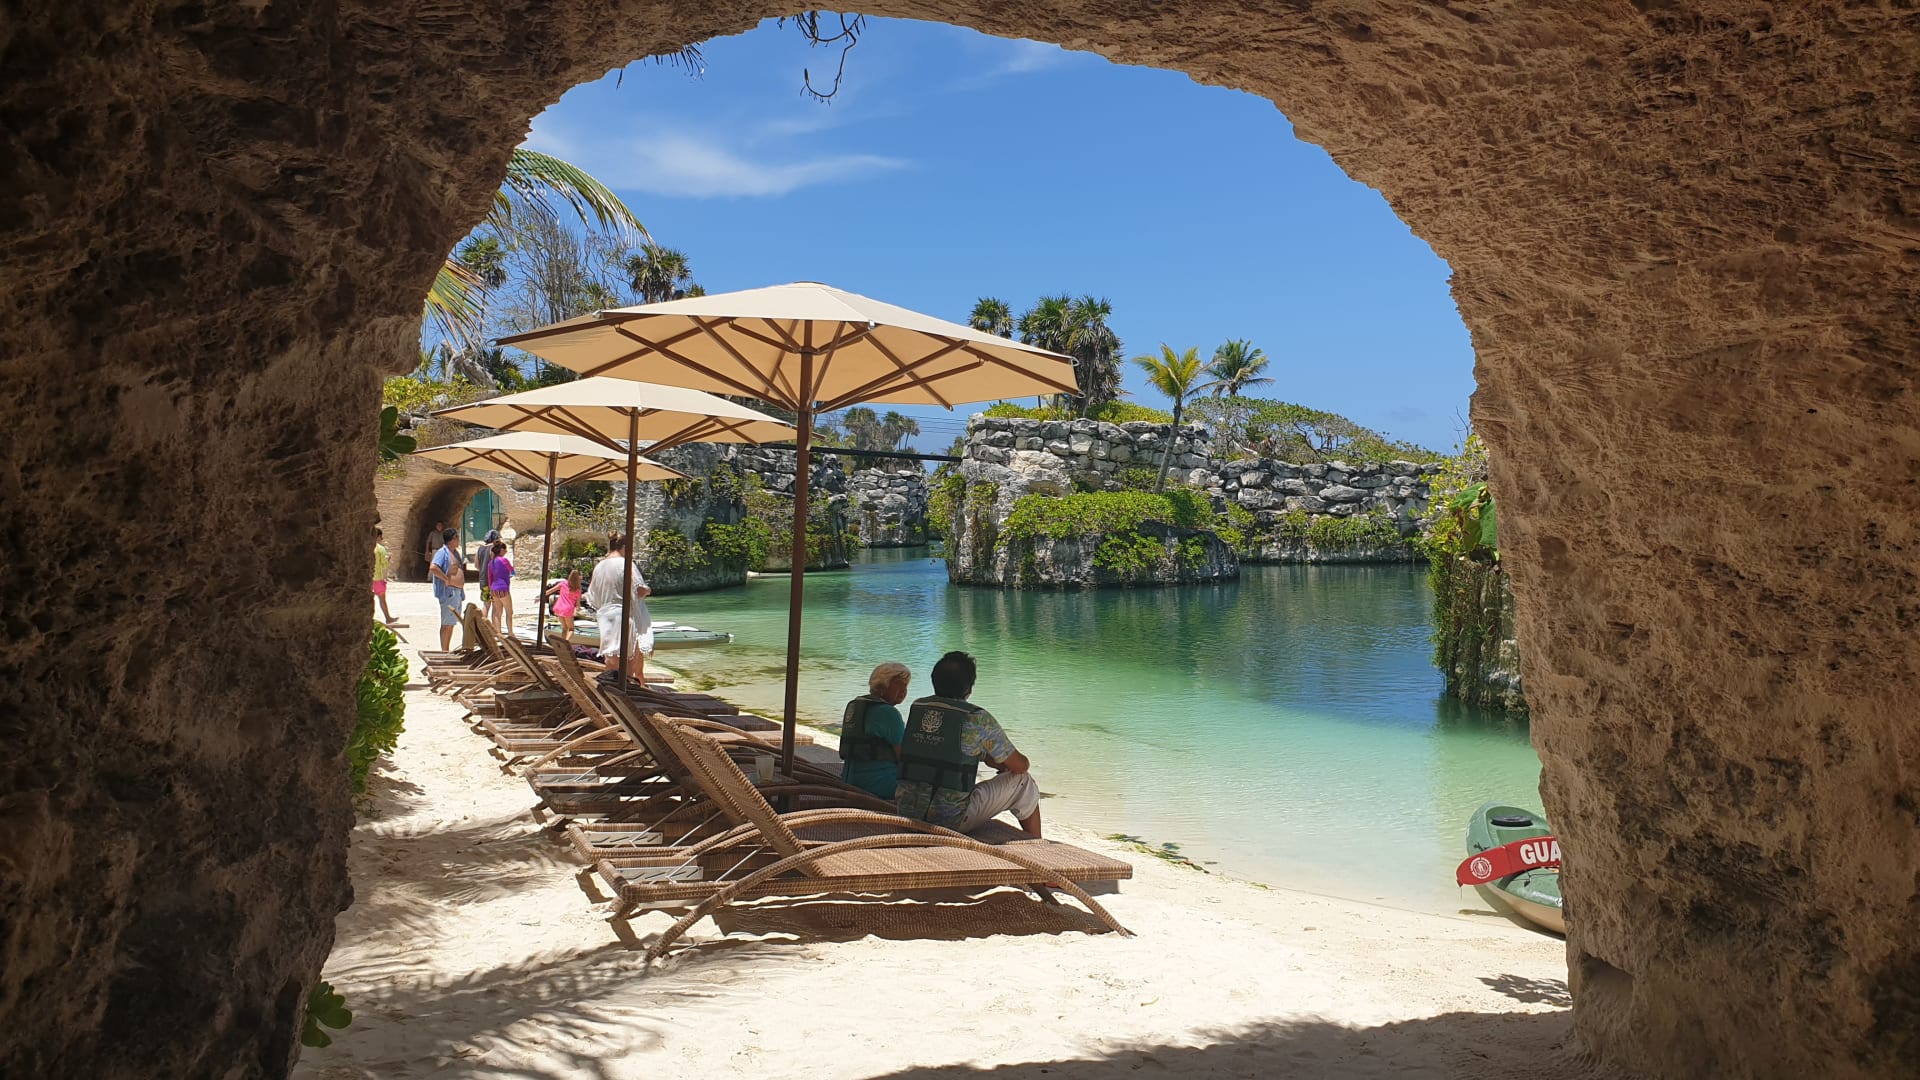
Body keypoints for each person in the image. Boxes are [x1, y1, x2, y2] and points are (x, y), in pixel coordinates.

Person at [897, 651, 1043, 837]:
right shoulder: (976, 718)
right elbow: (1021, 765)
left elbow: (942, 749)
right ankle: (1037, 844)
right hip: (950, 820)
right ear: (969, 689)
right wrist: (1000, 762)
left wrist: (986, 757)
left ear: (934, 680)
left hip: (907, 814)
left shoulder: (918, 707)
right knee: (1023, 781)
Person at [585, 532, 652, 684]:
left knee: (611, 660)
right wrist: (648, 590)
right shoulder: (625, 564)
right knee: (627, 663)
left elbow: (592, 596)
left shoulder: (600, 566)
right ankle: (626, 693)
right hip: (623, 615)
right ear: (625, 547)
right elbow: (639, 590)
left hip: (605, 615)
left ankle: (610, 691)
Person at [839, 662, 909, 800]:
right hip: (878, 784)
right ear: (882, 686)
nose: (903, 690)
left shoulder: (856, 705)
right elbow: (902, 756)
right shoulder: (889, 713)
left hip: (850, 779)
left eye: (906, 686)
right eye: (898, 685)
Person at [429, 527, 465, 651]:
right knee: (446, 624)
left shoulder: (455, 553)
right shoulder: (442, 553)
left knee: (451, 623)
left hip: (457, 592)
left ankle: (446, 649)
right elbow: (433, 567)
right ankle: (444, 650)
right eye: (458, 537)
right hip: (449, 592)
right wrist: (445, 578)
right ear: (453, 538)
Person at [543, 569, 583, 641]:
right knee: (571, 629)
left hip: (559, 608)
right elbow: (578, 604)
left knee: (564, 628)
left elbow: (550, 591)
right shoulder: (578, 590)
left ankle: (563, 642)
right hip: (568, 610)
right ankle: (566, 642)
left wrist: (540, 597)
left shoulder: (563, 584)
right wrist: (578, 609)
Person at [371, 527, 400, 626]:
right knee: (382, 600)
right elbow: (384, 565)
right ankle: (388, 618)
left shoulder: (366, 547)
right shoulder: (380, 549)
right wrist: (388, 559)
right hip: (378, 578)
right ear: (378, 537)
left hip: (368, 578)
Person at [486, 539, 514, 634]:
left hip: (494, 589)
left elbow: (490, 578)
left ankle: (499, 633)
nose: (506, 551)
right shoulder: (504, 560)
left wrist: (491, 590)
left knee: (498, 613)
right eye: (505, 549)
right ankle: (510, 633)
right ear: (501, 550)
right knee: (509, 612)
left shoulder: (491, 563)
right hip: (503, 588)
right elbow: (512, 571)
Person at [474, 528, 501, 608]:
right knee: (496, 606)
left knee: (486, 605)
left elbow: (476, 565)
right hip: (492, 581)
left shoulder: (480, 549)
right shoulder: (493, 549)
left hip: (483, 580)